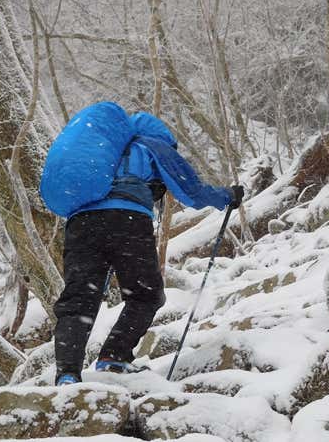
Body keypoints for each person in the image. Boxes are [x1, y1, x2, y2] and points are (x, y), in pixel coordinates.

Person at [52, 112, 244, 386]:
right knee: (146, 295)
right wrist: (227, 196)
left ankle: (67, 375)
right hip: (126, 221)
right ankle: (114, 357)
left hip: (80, 225)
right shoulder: (153, 145)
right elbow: (192, 191)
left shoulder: (100, 154)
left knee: (78, 300)